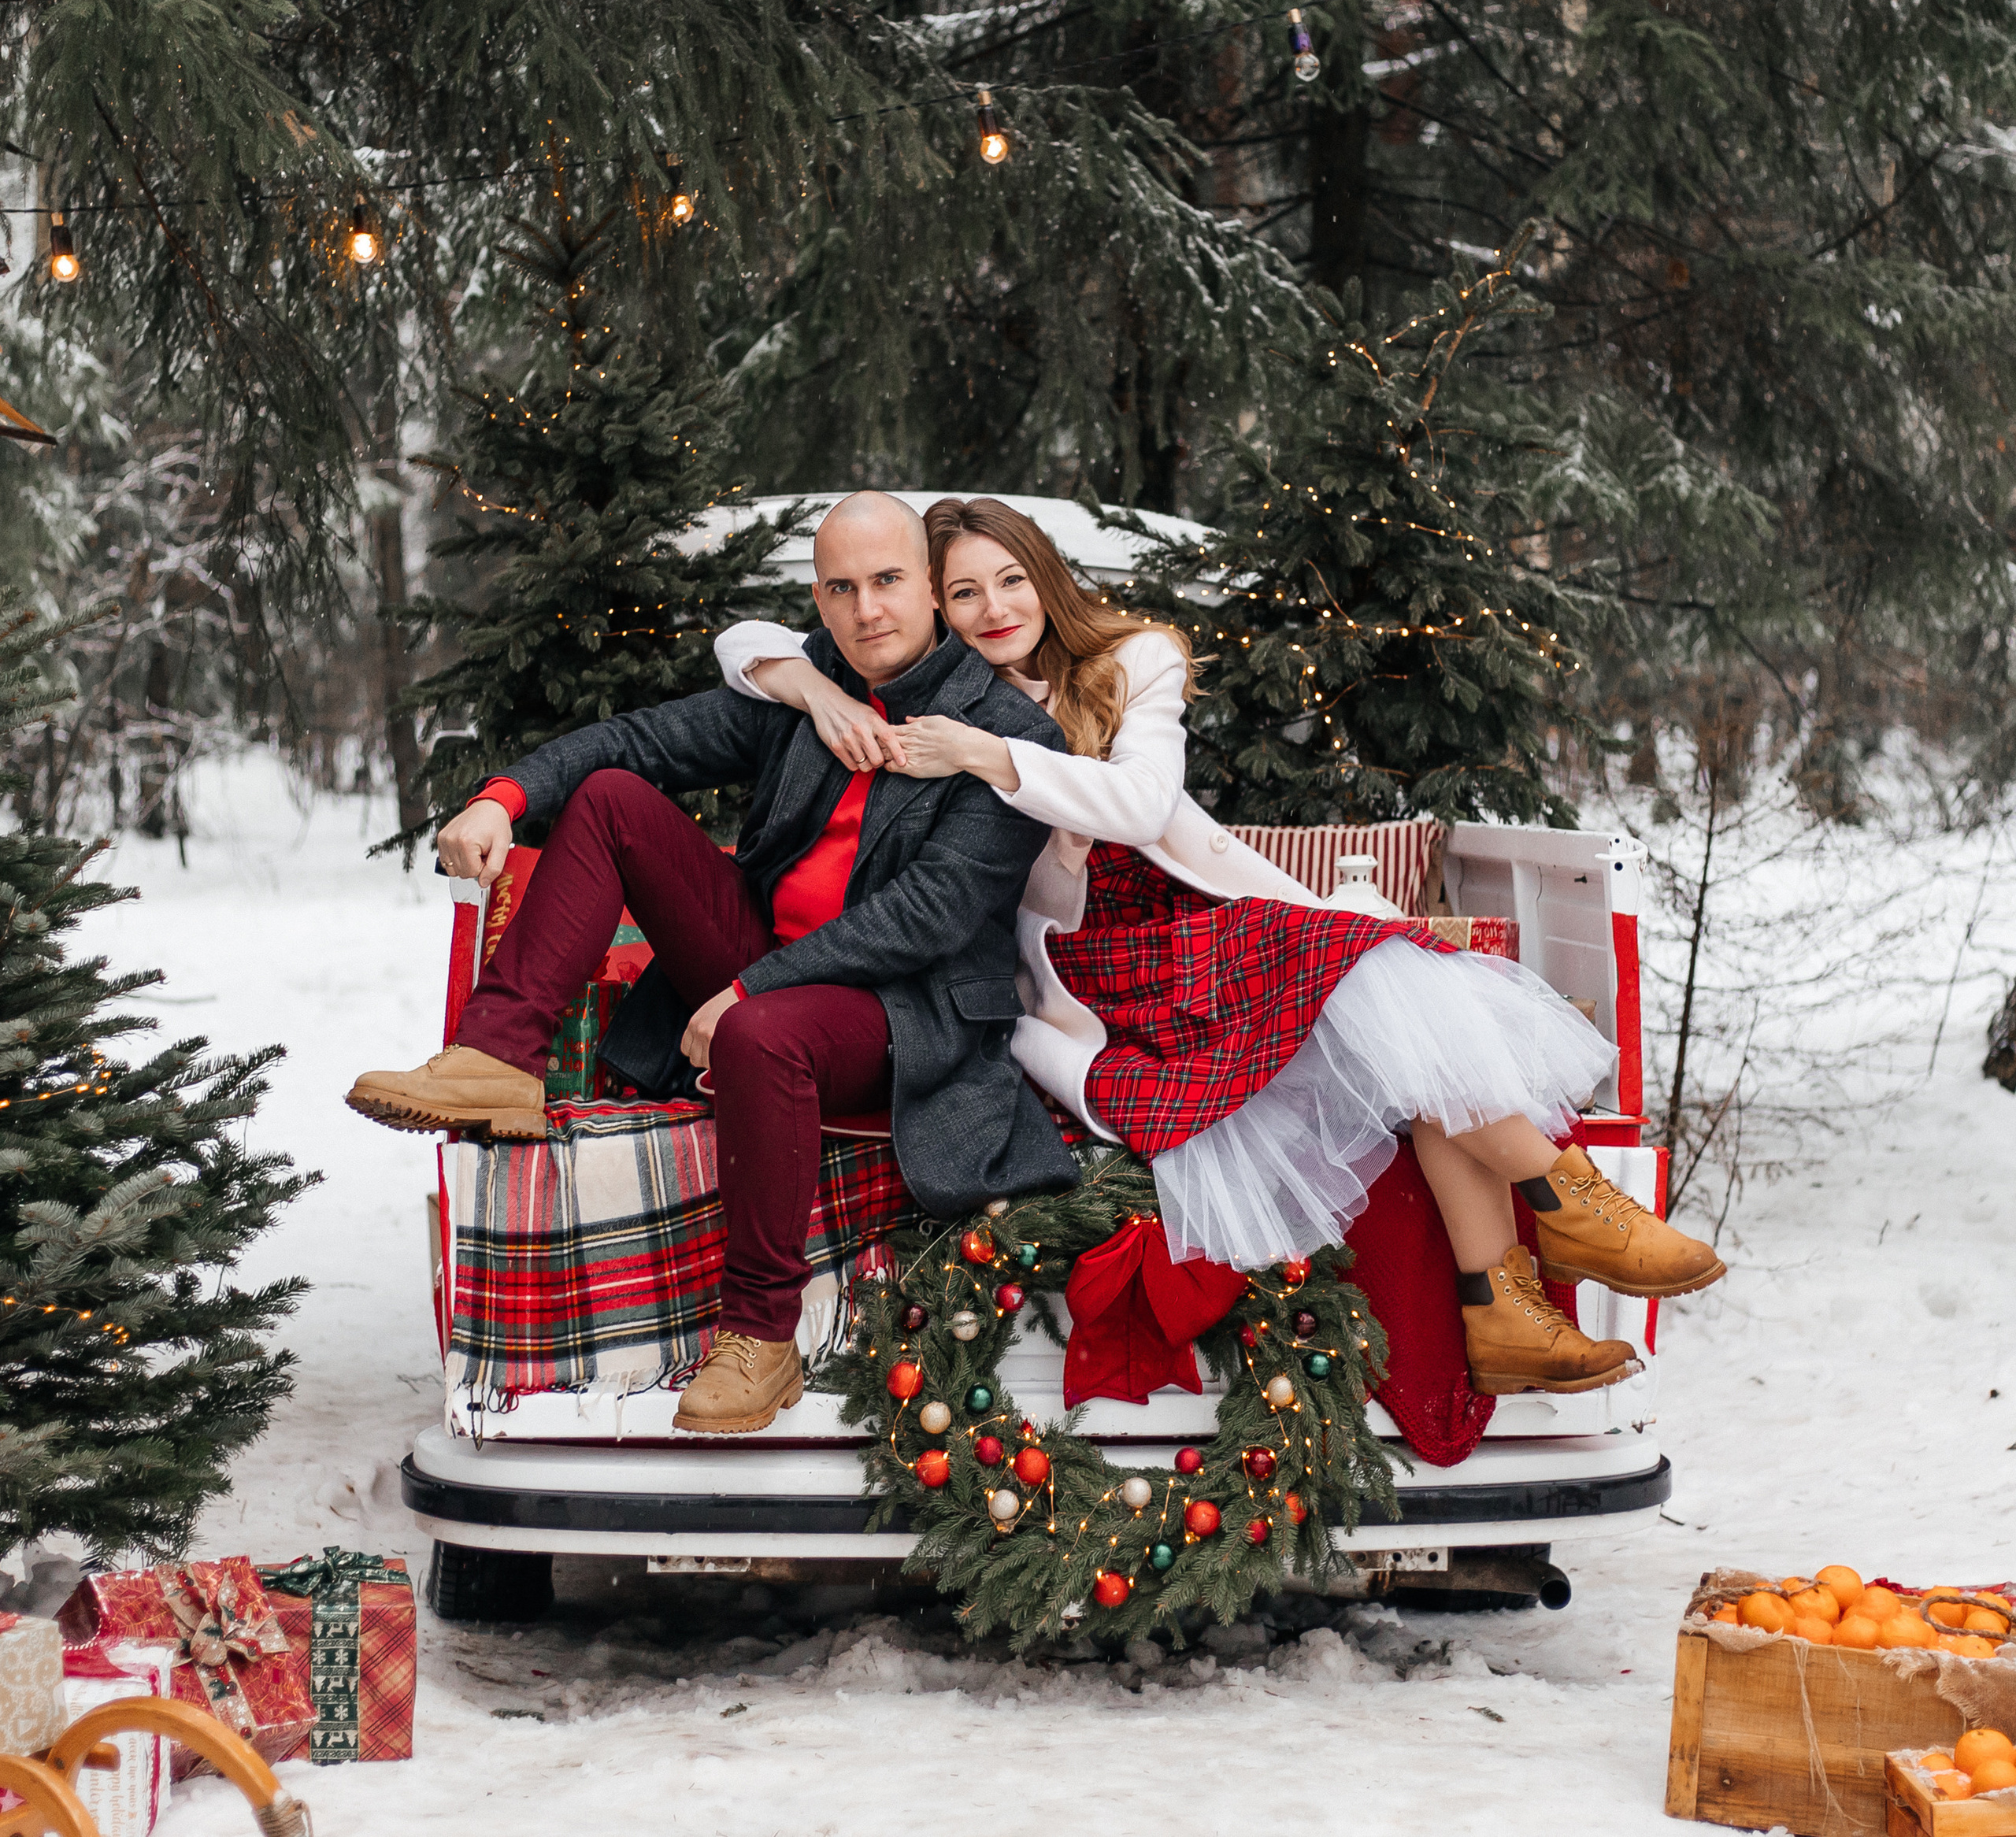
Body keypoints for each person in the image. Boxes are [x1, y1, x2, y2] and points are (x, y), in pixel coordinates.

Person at [713, 495, 1727, 1398]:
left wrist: (987, 754)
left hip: (1193, 923)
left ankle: (1523, 1277)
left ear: (1047, 579)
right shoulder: (931, 689)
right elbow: (743, 642)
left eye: (1010, 579)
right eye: (964, 591)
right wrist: (817, 691)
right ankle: (1540, 1249)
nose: (992, 609)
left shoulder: (1129, 663)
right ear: (934, 602)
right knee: (1381, 1007)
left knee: (1388, 1001)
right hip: (1087, 971)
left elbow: (1140, 804)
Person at [346, 492, 1078, 1435]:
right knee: (612, 798)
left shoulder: (1007, 735)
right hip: (766, 961)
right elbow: (634, 739)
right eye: (842, 589)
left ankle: (761, 1335)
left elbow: (930, 914)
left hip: (904, 1012)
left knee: (763, 1031)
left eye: (889, 581)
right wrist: (503, 796)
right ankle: (496, 1059)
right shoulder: (808, 693)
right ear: (817, 600)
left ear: (932, 588)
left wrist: (747, 988)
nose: (867, 610)